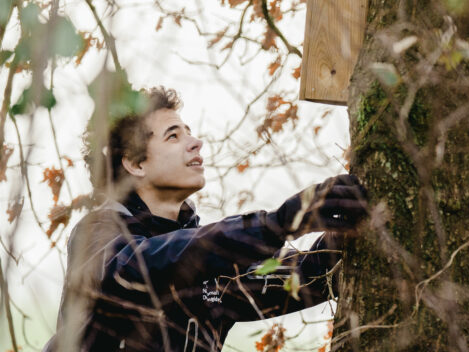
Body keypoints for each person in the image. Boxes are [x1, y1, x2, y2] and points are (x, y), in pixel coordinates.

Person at [43, 86, 367, 352]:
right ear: (135, 164)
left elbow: (309, 277)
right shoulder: (96, 236)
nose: (195, 142)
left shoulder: (211, 260)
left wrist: (350, 229)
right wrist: (278, 223)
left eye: (189, 132)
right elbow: (144, 265)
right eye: (173, 136)